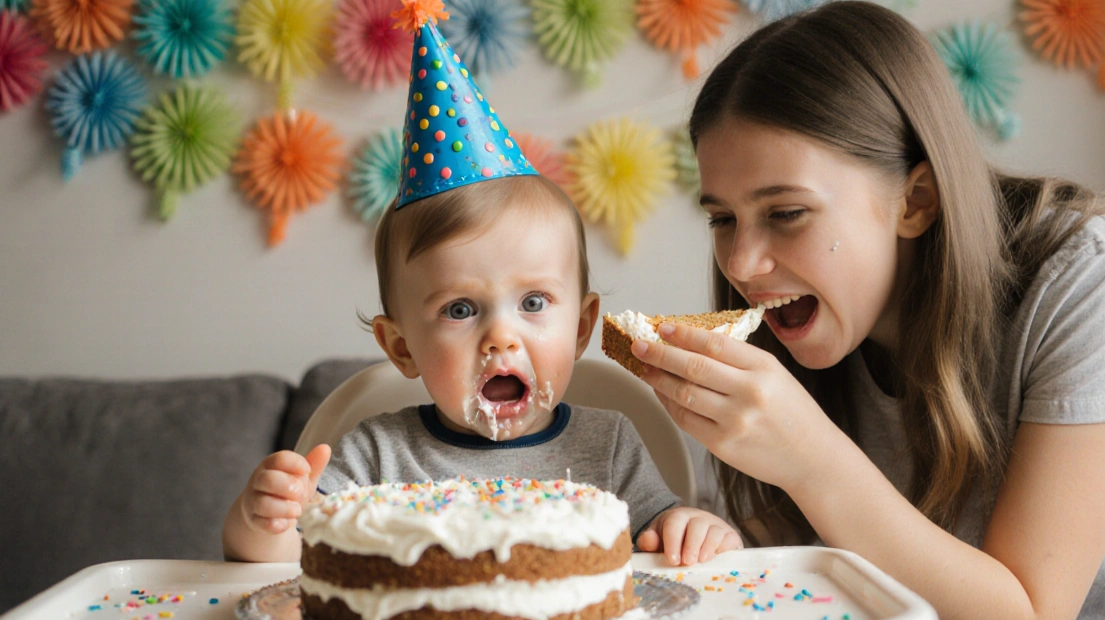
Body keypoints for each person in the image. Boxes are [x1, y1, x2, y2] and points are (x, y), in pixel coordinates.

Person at [628, 3, 1105, 620]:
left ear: (915, 200)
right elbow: (830, 536)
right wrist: (725, 535)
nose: (742, 263)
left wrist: (809, 456)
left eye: (786, 213)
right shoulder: (832, 322)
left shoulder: (1103, 273)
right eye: (723, 219)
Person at [222, 7, 740, 571]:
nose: (501, 337)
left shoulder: (609, 446)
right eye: (460, 309)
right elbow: (283, 561)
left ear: (582, 327)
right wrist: (260, 523)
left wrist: (691, 528)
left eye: (534, 303)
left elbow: (661, 545)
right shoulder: (377, 457)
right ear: (401, 347)